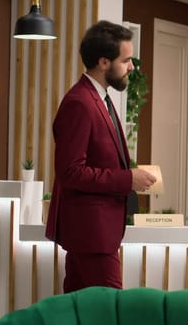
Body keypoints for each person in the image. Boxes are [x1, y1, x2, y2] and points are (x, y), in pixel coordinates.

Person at [45, 20, 157, 293]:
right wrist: (127, 178)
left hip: (96, 234)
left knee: (83, 312)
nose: (131, 67)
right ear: (104, 62)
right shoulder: (79, 103)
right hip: (91, 234)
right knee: (109, 311)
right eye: (126, 60)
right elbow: (70, 172)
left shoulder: (99, 99)